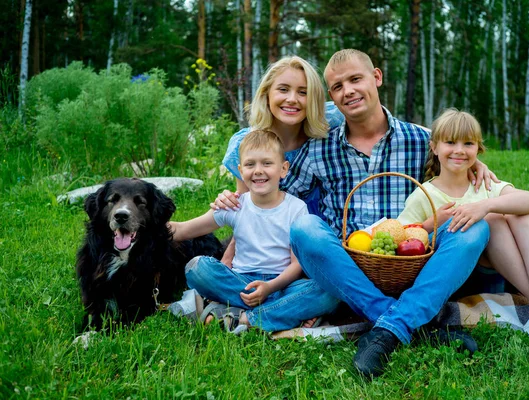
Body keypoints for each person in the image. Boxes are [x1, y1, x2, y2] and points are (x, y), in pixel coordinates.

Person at [215, 49, 501, 376]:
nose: (348, 90)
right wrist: (233, 198)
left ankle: (387, 328)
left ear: (376, 78)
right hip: (349, 265)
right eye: (337, 87)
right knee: (306, 228)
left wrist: (474, 161)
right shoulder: (319, 148)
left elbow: (456, 153)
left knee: (474, 229)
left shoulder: (421, 140)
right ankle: (406, 322)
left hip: (415, 256)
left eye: (355, 80)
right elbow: (268, 191)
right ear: (331, 99)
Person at [398, 108, 529, 351]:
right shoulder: (425, 195)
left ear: (478, 150)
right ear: (434, 147)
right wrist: (431, 224)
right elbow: (402, 236)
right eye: (450, 142)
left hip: (502, 278)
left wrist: (485, 205)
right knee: (495, 220)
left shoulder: (484, 184)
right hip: (463, 279)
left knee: (518, 213)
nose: (459, 150)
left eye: (468, 143)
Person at [170, 130, 339, 334]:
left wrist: (270, 288)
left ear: (283, 169)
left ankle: (242, 317)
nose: (258, 170)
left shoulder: (296, 208)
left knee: (329, 292)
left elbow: (297, 265)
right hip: (241, 283)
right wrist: (144, 226)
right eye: (250, 165)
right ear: (241, 171)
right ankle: (284, 313)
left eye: (267, 163)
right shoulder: (235, 205)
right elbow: (184, 229)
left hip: (282, 285)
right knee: (196, 268)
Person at [220, 55, 344, 217]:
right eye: (283, 89)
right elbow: (247, 208)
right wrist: (229, 200)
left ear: (314, 99)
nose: (292, 99)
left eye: (303, 92)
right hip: (273, 231)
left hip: (322, 229)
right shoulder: (246, 144)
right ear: (266, 93)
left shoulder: (330, 122)